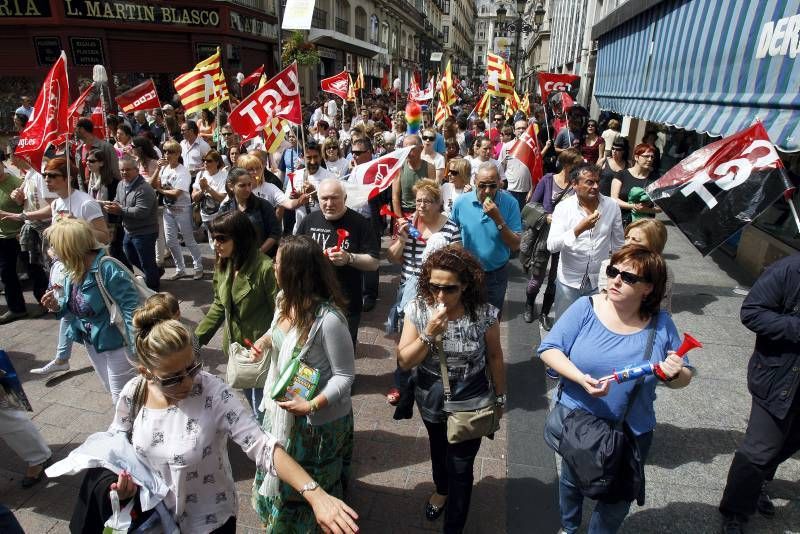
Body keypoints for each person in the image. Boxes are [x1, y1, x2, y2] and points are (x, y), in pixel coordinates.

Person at [77, 303, 358, 534]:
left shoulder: (211, 391)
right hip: (154, 520)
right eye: (173, 378)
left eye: (192, 367)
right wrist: (121, 487)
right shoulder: (133, 393)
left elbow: (261, 445)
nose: (188, 381)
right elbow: (116, 446)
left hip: (209, 523)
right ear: (146, 373)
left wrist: (315, 493)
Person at [538, 245, 692, 534]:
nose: (616, 280)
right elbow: (548, 349)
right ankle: (569, 528)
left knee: (618, 498)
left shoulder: (662, 325)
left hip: (631, 430)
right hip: (579, 422)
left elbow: (685, 375)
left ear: (648, 288)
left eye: (628, 277)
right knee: (572, 481)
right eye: (613, 272)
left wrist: (675, 373)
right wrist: (580, 377)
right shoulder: (586, 307)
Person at [249, 235, 356, 532]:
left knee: (311, 485)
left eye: (278, 261)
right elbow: (275, 333)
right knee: (283, 475)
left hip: (316, 424)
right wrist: (263, 342)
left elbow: (346, 376)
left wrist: (310, 404)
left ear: (295, 271)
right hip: (282, 410)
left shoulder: (329, 320)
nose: (273, 266)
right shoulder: (284, 300)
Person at [397, 245, 507, 533]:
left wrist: (501, 396)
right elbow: (404, 360)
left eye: (450, 289)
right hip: (431, 393)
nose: (440, 296)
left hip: (472, 396)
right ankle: (441, 489)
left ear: (466, 285)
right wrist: (429, 333)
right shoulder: (419, 309)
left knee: (461, 465)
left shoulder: (484, 314)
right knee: (438, 446)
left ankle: (454, 525)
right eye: (434, 287)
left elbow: (495, 356)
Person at [719, 253, 800, 534]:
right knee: (759, 450)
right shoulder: (789, 270)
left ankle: (760, 482)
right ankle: (735, 513)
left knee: (790, 442)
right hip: (779, 379)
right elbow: (752, 312)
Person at [40, 218, 139, 405]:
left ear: (70, 247)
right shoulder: (72, 269)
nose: (52, 252)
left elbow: (131, 312)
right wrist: (55, 305)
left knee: (122, 400)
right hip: (93, 343)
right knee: (113, 390)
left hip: (118, 343)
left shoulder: (108, 268)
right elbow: (70, 308)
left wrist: (137, 352)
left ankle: (130, 431)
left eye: (56, 246)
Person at [195, 211, 277, 417]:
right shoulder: (224, 263)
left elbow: (282, 314)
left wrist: (266, 341)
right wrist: (194, 340)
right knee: (255, 403)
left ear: (240, 237)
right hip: (237, 350)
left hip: (262, 353)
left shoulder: (265, 268)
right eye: (213, 238)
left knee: (264, 408)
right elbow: (219, 305)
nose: (216, 244)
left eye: (222, 238)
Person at [386, 179, 459, 401]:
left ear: (438, 204)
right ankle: (401, 384)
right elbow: (392, 257)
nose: (421, 206)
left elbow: (457, 260)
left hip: (437, 291)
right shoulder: (407, 223)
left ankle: (435, 381)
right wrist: (401, 239)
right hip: (409, 287)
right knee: (406, 338)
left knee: (435, 336)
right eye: (418, 201)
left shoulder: (450, 227)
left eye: (427, 201)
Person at [297, 178, 379, 347]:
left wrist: (349, 258)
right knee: (311, 349)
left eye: (334, 198)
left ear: (345, 198)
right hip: (312, 300)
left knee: (343, 350)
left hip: (346, 302)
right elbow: (296, 256)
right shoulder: (309, 221)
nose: (329, 203)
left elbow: (374, 263)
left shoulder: (360, 223)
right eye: (324, 198)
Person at [547, 164, 624, 321]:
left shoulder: (611, 206)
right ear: (575, 184)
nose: (595, 186)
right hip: (569, 283)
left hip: (599, 283)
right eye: (589, 182)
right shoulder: (563, 208)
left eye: (597, 182)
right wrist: (578, 230)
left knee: (593, 328)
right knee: (565, 326)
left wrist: (616, 276)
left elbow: (618, 246)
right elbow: (552, 246)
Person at [449, 162, 521, 314]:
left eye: (492, 186)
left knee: (491, 321)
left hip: (495, 275)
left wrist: (498, 219)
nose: (487, 191)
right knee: (465, 317)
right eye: (482, 185)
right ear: (474, 181)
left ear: (499, 184)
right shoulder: (461, 202)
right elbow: (451, 233)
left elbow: (515, 245)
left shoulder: (510, 203)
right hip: (466, 273)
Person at [524, 148, 583, 329]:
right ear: (566, 164)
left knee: (555, 279)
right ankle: (529, 304)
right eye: (575, 165)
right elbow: (532, 205)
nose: (578, 168)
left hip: (565, 238)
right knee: (537, 276)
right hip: (544, 236)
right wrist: (546, 217)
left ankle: (544, 314)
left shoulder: (576, 185)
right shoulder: (547, 180)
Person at [106, 155, 161, 291]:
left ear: (136, 170)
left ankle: (154, 290)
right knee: (133, 259)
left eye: (128, 170)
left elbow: (141, 212)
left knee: (146, 263)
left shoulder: (144, 189)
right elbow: (118, 200)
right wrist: (113, 205)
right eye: (122, 170)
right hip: (129, 231)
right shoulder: (121, 184)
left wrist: (120, 210)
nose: (124, 173)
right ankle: (155, 273)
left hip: (145, 232)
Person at [151, 143, 205, 281]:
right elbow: (153, 183)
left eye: (171, 152)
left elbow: (176, 193)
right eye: (165, 151)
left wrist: (161, 190)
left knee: (188, 240)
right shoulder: (164, 169)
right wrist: (157, 169)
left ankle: (198, 267)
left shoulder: (183, 171)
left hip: (182, 210)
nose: (167, 154)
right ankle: (180, 269)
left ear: (177, 154)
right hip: (168, 210)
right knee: (170, 241)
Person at [598, 218, 674, 312]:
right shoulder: (610, 264)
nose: (628, 243)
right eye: (627, 238)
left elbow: (660, 306)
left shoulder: (664, 271)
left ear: (654, 244)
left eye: (636, 240)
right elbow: (605, 299)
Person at [218, 168, 281, 256]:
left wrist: (258, 253)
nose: (248, 189)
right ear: (231, 186)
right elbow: (221, 237)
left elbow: (275, 233)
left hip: (261, 260)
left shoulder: (263, 205)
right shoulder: (225, 209)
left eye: (249, 184)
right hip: (235, 260)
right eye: (242, 185)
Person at [610, 143, 661, 227]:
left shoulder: (655, 179)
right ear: (636, 157)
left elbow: (660, 208)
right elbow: (614, 199)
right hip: (620, 222)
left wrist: (646, 210)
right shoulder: (622, 174)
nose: (650, 159)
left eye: (652, 157)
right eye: (646, 156)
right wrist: (633, 206)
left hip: (644, 225)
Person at [191, 149, 228, 242]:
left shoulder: (224, 175)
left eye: (209, 160)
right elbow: (194, 197)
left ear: (217, 162)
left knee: (220, 243)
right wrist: (202, 190)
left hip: (220, 218)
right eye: (204, 160)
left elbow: (222, 198)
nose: (205, 163)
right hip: (205, 218)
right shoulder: (200, 174)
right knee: (213, 244)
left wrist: (207, 188)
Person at [393, 135, 435, 217]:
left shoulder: (429, 167)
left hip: (424, 213)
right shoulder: (399, 168)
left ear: (421, 148)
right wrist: (400, 219)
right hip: (404, 214)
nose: (408, 153)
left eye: (412, 149)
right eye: (406, 149)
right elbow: (395, 197)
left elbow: (432, 195)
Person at [499, 120, 534, 210]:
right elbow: (500, 167)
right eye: (518, 128)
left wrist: (531, 189)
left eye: (524, 128)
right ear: (514, 131)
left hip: (526, 191)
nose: (521, 130)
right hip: (509, 190)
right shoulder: (507, 146)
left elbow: (535, 170)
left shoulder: (532, 147)